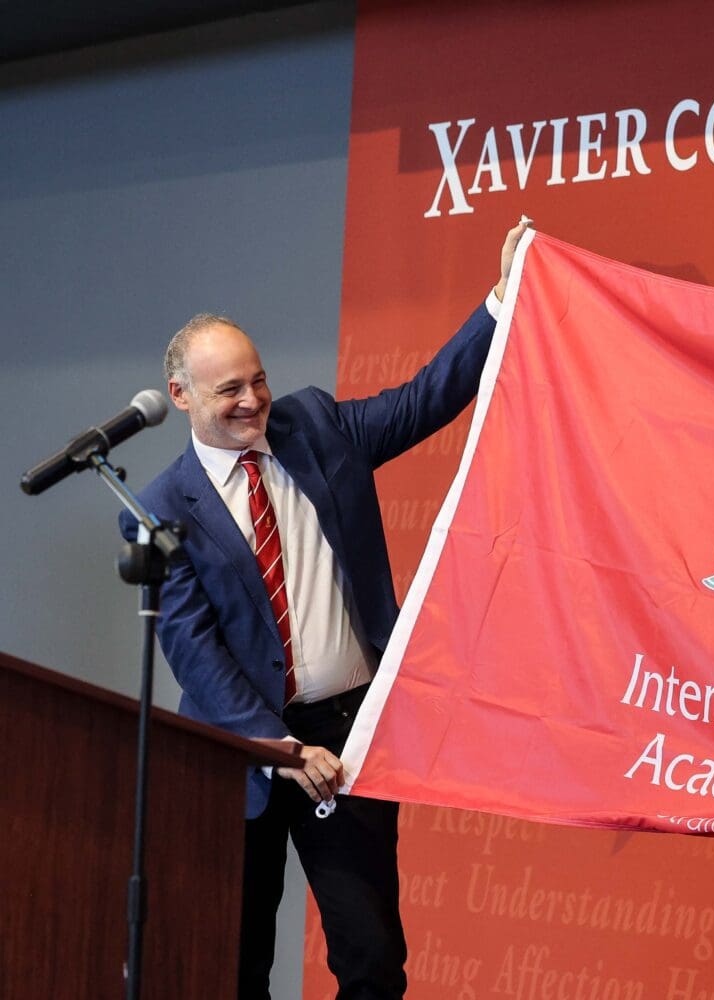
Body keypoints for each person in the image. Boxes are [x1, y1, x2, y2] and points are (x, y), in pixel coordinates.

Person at [121, 219, 530, 999]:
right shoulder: (159, 508)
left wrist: (499, 302)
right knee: (235, 966)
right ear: (180, 397)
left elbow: (422, 400)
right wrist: (278, 747)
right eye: (229, 390)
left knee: (373, 962)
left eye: (258, 379)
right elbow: (193, 650)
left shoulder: (313, 426)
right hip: (240, 751)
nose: (254, 401)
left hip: (348, 740)